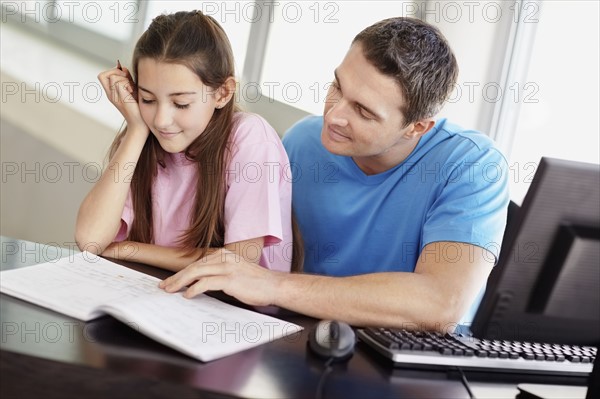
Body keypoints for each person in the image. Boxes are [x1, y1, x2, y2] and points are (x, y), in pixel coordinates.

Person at [159, 17, 509, 331]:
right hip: (303, 338)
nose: (333, 115)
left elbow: (440, 304)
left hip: (408, 367)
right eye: (337, 86)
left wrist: (272, 285)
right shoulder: (302, 142)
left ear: (416, 127)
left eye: (363, 111)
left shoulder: (472, 165)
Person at [75, 11, 293, 273]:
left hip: (232, 309)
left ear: (223, 93)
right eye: (147, 99)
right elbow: (90, 239)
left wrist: (130, 249)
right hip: (161, 294)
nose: (162, 119)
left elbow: (237, 263)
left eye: (181, 103)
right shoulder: (146, 133)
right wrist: (135, 130)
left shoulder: (249, 138)